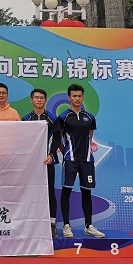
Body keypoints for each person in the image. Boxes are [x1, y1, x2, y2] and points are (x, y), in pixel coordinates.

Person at [58, 83, 104, 239]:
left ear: (82, 98)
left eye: (79, 96)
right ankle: (66, 225)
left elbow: (90, 137)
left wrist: (86, 151)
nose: (77, 98)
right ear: (69, 98)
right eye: (74, 96)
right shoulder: (63, 117)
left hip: (87, 160)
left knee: (86, 192)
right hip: (70, 159)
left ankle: (88, 226)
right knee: (66, 191)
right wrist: (66, 152)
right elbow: (59, 138)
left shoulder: (90, 117)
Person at [22, 88, 61, 237]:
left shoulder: (52, 118)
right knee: (29, 191)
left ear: (45, 100)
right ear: (31, 100)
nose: (39, 100)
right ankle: (29, 223)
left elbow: (57, 139)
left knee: (49, 191)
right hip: (30, 163)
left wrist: (51, 154)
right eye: (36, 97)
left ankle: (52, 224)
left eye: (42, 98)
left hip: (47, 161)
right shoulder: (26, 119)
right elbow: (22, 139)